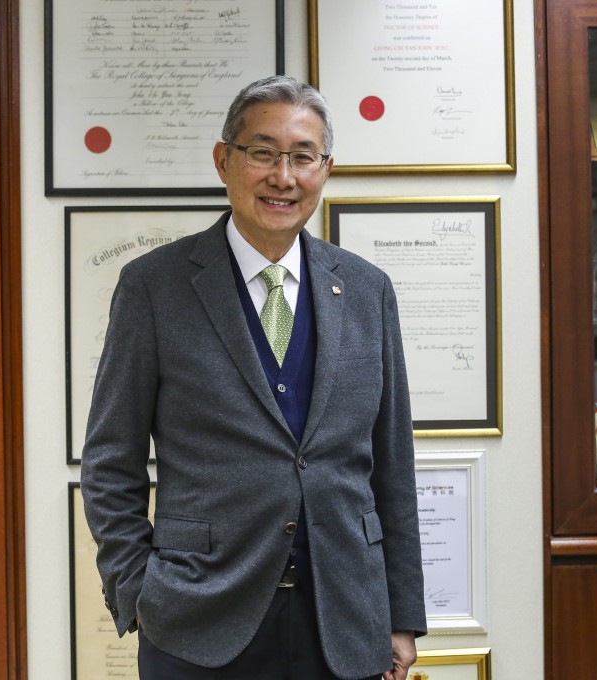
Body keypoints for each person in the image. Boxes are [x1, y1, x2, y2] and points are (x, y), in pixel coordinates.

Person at [80, 74, 427, 680]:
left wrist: (401, 612)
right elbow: (111, 460)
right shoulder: (154, 287)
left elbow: (392, 465)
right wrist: (136, 588)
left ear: (326, 169)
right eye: (263, 153)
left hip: (345, 619)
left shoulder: (367, 290)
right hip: (198, 621)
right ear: (224, 160)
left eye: (302, 157)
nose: (283, 177)